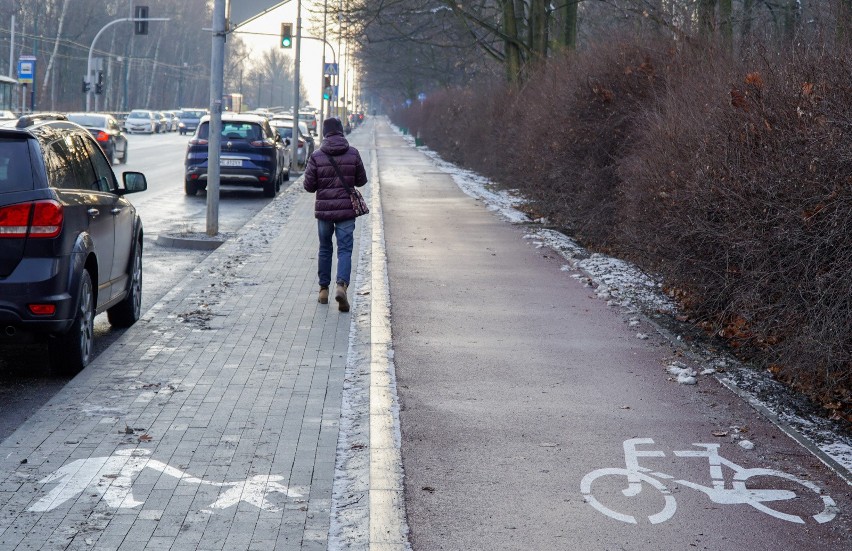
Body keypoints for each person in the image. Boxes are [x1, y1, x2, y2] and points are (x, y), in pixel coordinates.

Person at [303, 117, 368, 312]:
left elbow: (308, 186)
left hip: (324, 211)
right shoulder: (353, 153)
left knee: (325, 248)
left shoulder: (316, 156)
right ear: (341, 131)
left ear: (324, 133)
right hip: (346, 211)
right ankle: (341, 286)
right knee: (345, 249)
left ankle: (323, 290)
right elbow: (361, 181)